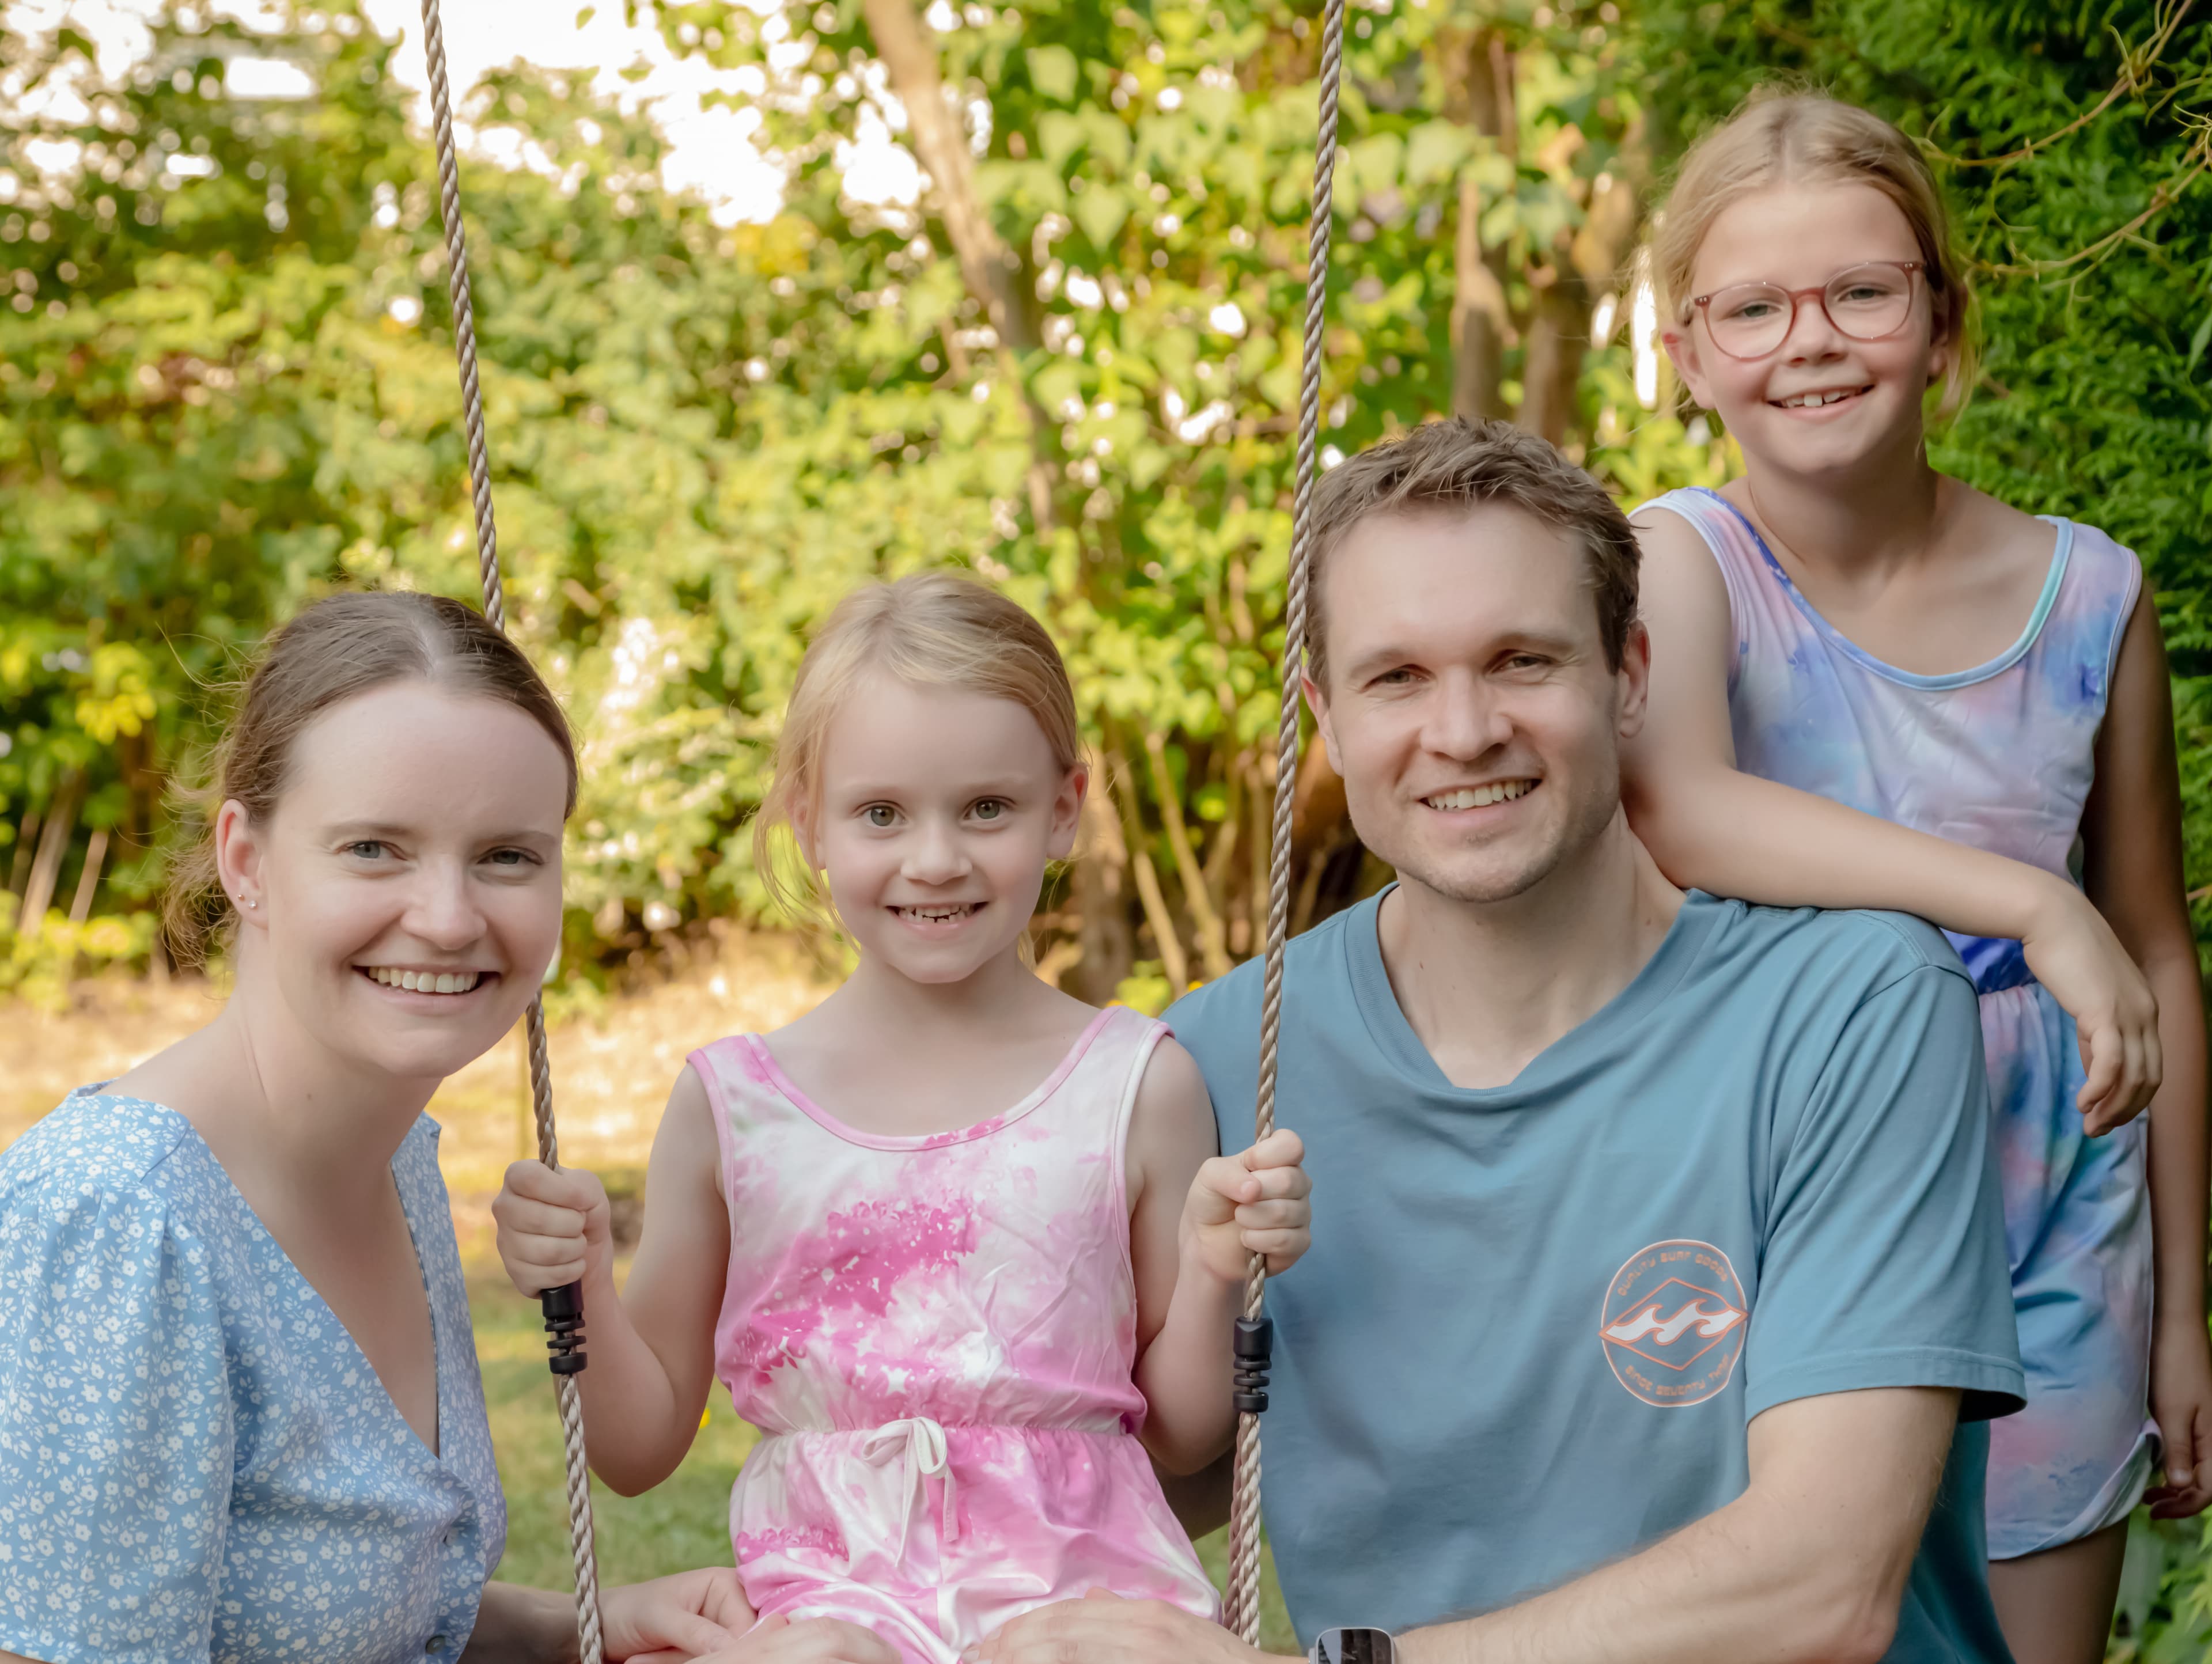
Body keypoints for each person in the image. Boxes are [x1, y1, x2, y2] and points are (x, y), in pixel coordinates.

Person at [974, 417, 2024, 1664]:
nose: (1463, 729)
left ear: (1629, 671)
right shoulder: (1210, 1063)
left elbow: (1821, 1584)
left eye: (1521, 660)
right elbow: (1117, 1473)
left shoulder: (1851, 1007)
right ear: (1324, 712)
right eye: (1396, 677)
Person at [0, 592, 882, 1664]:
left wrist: (591, 1627)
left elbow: (373, 1627)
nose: (451, 917)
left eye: (507, 856)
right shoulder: (120, 1217)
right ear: (247, 858)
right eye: (374, 847)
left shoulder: (398, 1162)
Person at [1623, 91, 2210, 1664]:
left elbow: (2154, 948)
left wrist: (2182, 1318)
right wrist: (2028, 897)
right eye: (1752, 306)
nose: (1809, 341)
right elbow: (1684, 807)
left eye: (1861, 292)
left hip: (2055, 1224)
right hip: (1788, 1203)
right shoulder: (1677, 563)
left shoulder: (2090, 594)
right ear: (1687, 352)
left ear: (1941, 317)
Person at [490, 573, 1314, 1664]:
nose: (936, 857)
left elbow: (1183, 1428)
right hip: (822, 1601)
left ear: (1064, 807)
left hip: (1080, 1598)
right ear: (807, 822)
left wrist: (1216, 1267)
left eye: (987, 807)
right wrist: (582, 1280)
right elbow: (640, 1448)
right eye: (882, 813)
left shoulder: (1132, 1082)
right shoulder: (735, 1105)